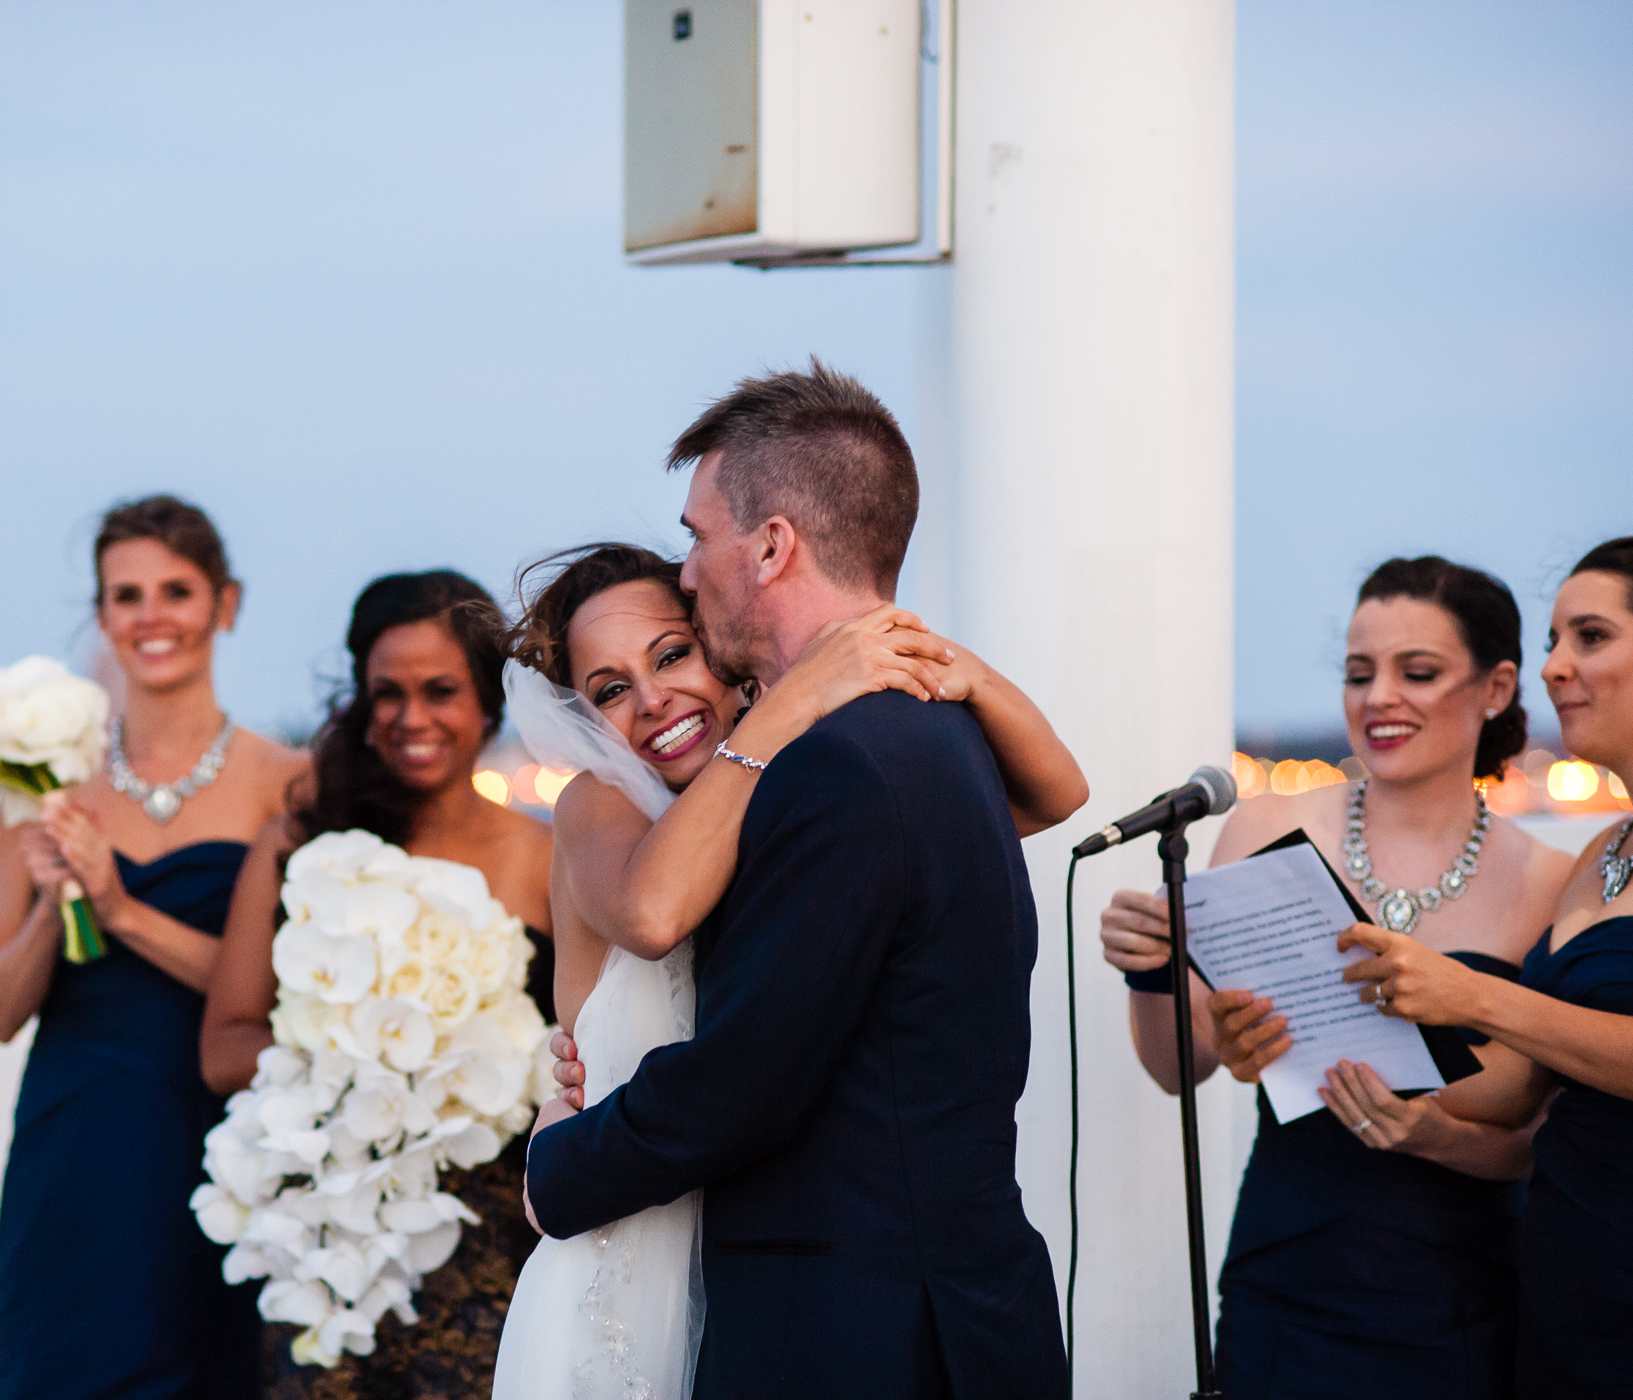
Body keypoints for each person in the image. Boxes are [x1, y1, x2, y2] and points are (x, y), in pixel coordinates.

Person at [522, 362, 1077, 1398]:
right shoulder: (917, 731)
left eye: (695, 536)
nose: (687, 567)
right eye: (609, 688)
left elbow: (745, 1083)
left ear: (770, 543)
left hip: (859, 1329)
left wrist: (556, 1170)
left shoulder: (838, 763)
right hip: (927, 1306)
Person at [1099, 555, 1571, 1399]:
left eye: (1416, 671)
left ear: (1496, 687)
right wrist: (1153, 969)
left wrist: (1429, 1134)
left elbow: (1546, 1139)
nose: (1378, 696)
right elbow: (1181, 1066)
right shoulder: (1263, 827)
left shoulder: (1547, 883)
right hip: (1291, 1262)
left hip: (1465, 1283)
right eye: (1359, 673)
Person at [0, 495, 308, 1400]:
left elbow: (291, 1007)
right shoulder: (39, 788)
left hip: (221, 1139)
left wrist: (120, 911)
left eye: (176, 590)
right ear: (101, 614)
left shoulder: (288, 785)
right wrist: (56, 905)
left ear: (225, 605)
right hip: (75, 1144)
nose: (150, 616)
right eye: (126, 595)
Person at [199, 569, 554, 1400]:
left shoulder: (546, 859)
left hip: (490, 1241)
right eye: (387, 693)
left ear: (490, 702)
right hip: (328, 1245)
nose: (412, 718)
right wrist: (360, 1074)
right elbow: (224, 1047)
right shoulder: (298, 846)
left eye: (441, 691)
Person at [1324, 537, 1633, 1399]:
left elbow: (1517, 1023)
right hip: (1565, 1286)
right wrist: (1320, 1045)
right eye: (1552, 644)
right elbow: (1523, 1090)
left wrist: (1477, 995)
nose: (1556, 669)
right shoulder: (1601, 855)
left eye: (1591, 638)